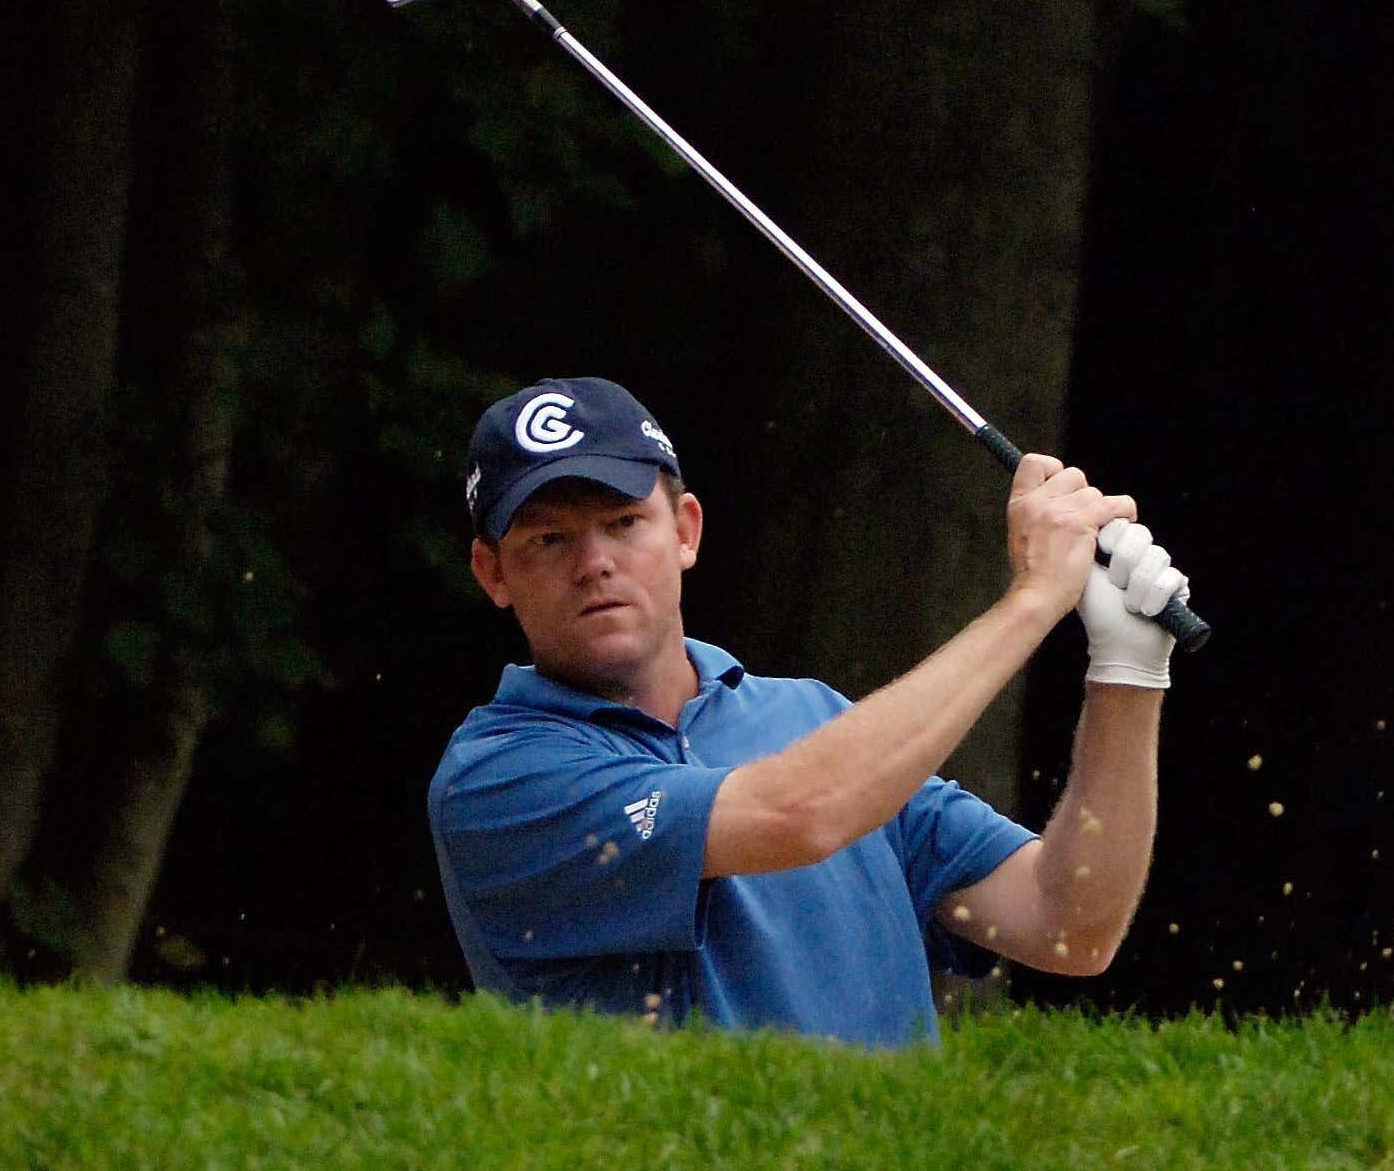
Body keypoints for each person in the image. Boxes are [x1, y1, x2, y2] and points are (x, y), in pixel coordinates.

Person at [428, 377, 1191, 1047]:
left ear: (685, 530)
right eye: (549, 539)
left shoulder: (815, 719)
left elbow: (1069, 923)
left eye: (624, 523)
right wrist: (1032, 602)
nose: (594, 563)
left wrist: (1126, 674)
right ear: (493, 574)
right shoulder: (495, 777)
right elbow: (798, 814)